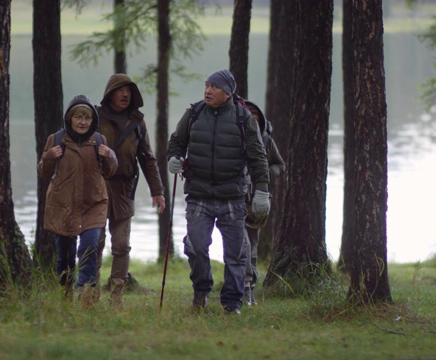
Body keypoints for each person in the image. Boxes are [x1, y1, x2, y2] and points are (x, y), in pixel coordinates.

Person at [167, 69, 270, 315]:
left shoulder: (243, 118)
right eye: (206, 86)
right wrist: (174, 158)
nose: (208, 91)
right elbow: (176, 142)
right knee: (195, 246)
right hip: (198, 195)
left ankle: (232, 304)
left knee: (235, 256)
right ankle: (201, 292)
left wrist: (262, 192)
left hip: (232, 198)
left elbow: (258, 158)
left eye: (214, 87)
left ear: (228, 93)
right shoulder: (194, 113)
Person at [37, 94, 118, 307]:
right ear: (69, 119)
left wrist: (110, 155)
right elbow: (44, 173)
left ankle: (86, 298)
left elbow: (109, 171)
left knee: (89, 247)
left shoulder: (100, 141)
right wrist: (48, 158)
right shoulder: (55, 140)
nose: (82, 122)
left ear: (93, 121)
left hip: (93, 204)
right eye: (78, 117)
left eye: (87, 118)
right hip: (63, 206)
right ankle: (65, 294)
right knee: (65, 256)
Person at [96, 73, 166, 307]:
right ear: (110, 93)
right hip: (97, 188)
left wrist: (157, 190)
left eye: (128, 91)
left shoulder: (137, 121)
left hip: (125, 189)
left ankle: (117, 295)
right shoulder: (95, 117)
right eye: (120, 90)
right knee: (95, 242)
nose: (125, 94)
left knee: (121, 245)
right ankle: (90, 291)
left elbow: (147, 158)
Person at [242, 100, 285, 306]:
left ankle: (249, 288)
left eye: (255, 119)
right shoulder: (233, 138)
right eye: (248, 119)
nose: (252, 122)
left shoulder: (266, 140)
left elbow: (280, 165)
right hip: (233, 198)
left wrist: (264, 174)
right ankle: (240, 287)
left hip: (257, 202)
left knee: (251, 246)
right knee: (238, 245)